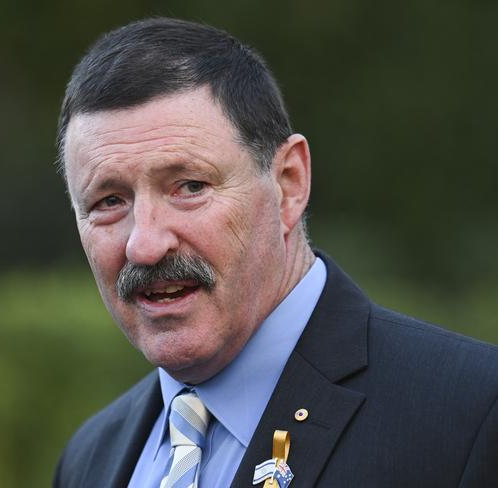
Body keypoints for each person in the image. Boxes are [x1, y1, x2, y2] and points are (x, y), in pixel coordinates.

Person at [52, 18, 497, 487]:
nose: (144, 244)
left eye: (189, 186)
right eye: (109, 202)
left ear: (289, 184)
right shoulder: (89, 458)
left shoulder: (471, 418)